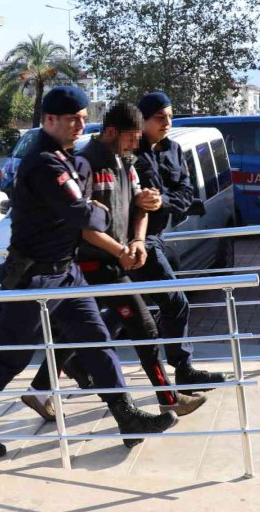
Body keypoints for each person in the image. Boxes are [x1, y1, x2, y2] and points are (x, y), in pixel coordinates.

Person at [0, 86, 178, 460]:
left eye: (84, 118)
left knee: (97, 339)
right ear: (49, 119)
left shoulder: (65, 157)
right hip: (35, 278)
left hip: (66, 272)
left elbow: (89, 207)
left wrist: (99, 206)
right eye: (73, 119)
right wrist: (100, 208)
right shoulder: (44, 162)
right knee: (12, 355)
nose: (80, 125)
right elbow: (84, 215)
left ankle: (126, 415)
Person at [23, 103, 206, 421]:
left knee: (86, 328)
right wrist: (121, 251)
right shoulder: (83, 164)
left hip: (116, 260)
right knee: (143, 326)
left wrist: (137, 240)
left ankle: (40, 390)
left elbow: (141, 205)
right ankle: (166, 399)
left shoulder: (127, 163)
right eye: (131, 138)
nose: (136, 145)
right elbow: (84, 226)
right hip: (92, 262)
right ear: (111, 133)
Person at [132, 92, 230, 390]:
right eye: (160, 117)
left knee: (123, 309)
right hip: (136, 240)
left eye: (170, 116)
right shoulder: (129, 152)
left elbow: (186, 194)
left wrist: (162, 201)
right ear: (143, 120)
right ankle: (184, 368)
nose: (167, 122)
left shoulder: (173, 149)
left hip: (159, 237)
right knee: (175, 302)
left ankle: (67, 363)